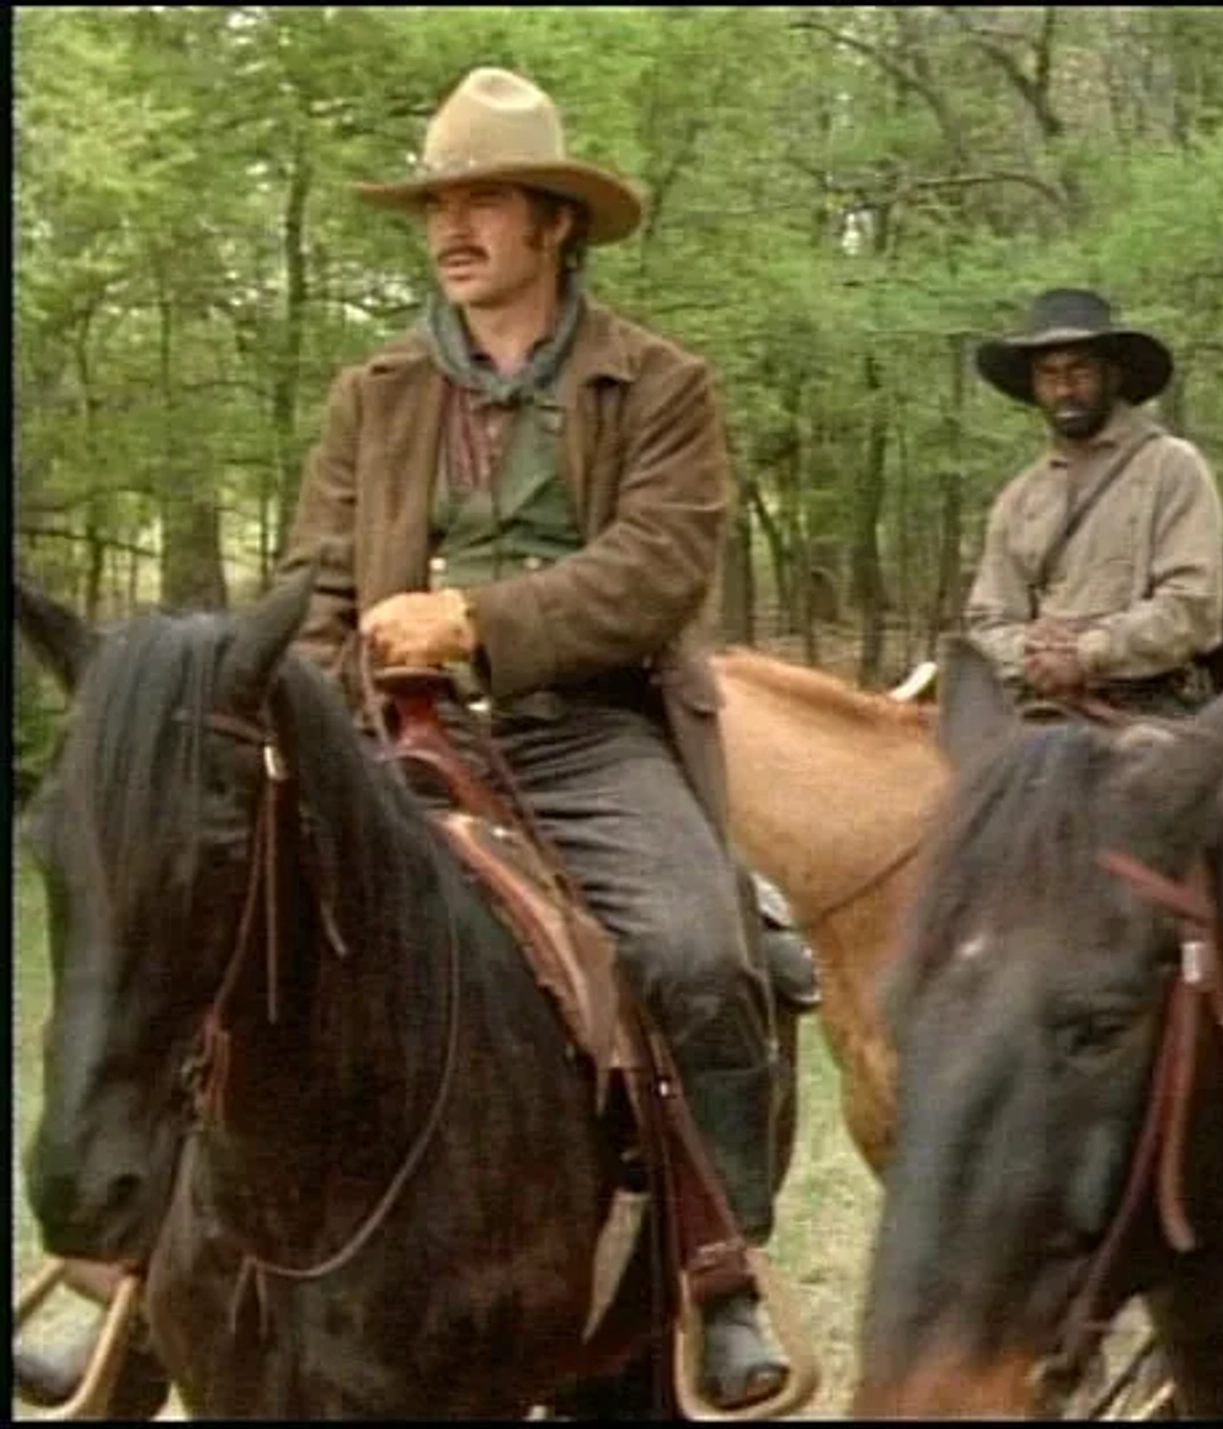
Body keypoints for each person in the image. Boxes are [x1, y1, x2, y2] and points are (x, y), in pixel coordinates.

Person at [276, 66, 786, 1409]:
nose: (452, 230)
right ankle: (144, 1276)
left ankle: (718, 1269)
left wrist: (475, 623)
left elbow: (657, 570)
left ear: (555, 222)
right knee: (223, 928)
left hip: (585, 730)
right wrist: (338, 695)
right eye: (437, 204)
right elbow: (320, 582)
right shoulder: (373, 391)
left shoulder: (660, 385)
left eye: (484, 201)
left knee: (696, 950)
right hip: (392, 736)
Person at [964, 288, 1223, 718]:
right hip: (1035, 702)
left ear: (1113, 376)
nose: (1064, 389)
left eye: (1079, 371)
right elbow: (988, 619)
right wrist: (1030, 651)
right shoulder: (1021, 496)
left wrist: (1089, 653)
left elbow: (1191, 607)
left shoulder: (1172, 467)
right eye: (1048, 375)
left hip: (1149, 704)